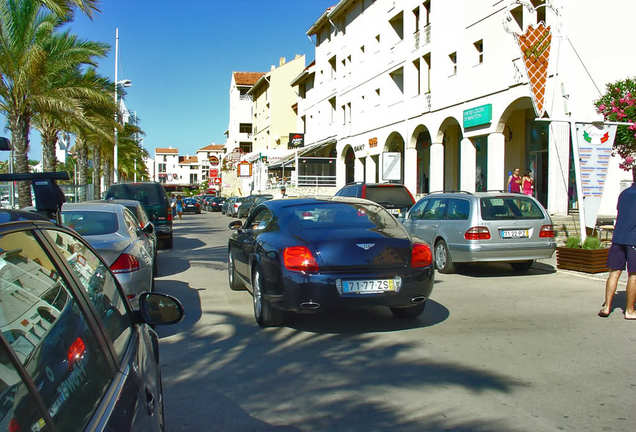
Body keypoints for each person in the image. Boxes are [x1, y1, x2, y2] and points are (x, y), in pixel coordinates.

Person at [599, 167, 636, 319]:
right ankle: (629, 310)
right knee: (633, 275)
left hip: (618, 238)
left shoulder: (624, 194)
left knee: (614, 272)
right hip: (633, 239)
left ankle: (607, 307)